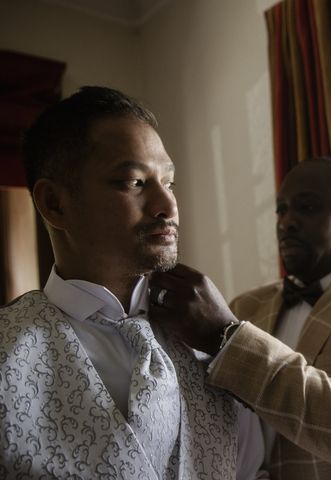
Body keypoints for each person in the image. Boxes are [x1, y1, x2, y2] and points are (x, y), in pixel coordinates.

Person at [0, 86, 266, 479]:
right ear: (55, 203)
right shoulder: (7, 350)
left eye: (169, 182)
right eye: (135, 183)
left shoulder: (215, 341)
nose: (168, 206)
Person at [150, 157, 331, 479]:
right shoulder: (246, 305)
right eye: (281, 209)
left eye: (307, 208)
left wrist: (229, 337)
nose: (287, 222)